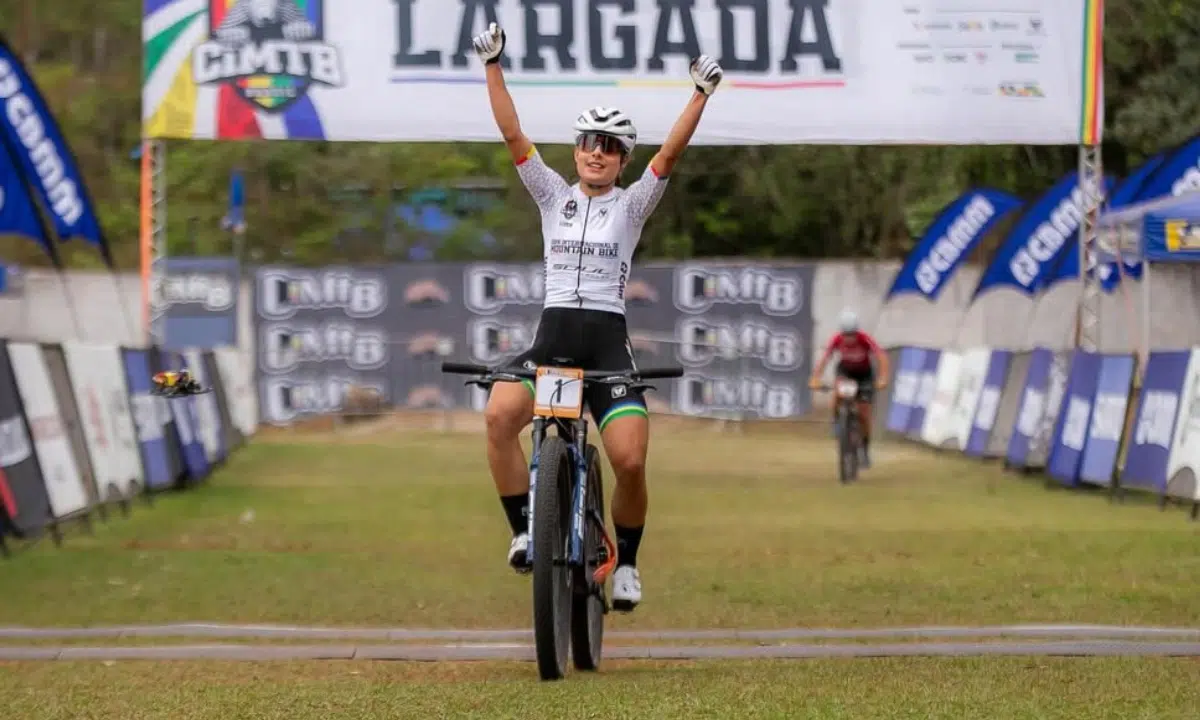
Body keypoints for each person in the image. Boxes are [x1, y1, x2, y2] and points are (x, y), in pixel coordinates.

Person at [470, 22, 723, 612]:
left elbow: (670, 155)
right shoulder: (551, 195)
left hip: (608, 346)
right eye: (590, 142)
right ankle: (524, 529)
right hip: (551, 343)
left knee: (631, 460)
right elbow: (512, 133)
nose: (597, 153)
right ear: (577, 150)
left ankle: (627, 562)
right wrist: (492, 65)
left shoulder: (631, 206)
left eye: (610, 147)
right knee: (497, 417)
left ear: (622, 159)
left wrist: (700, 94)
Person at [808, 310, 890, 467]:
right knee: (838, 393)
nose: (849, 339)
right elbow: (825, 359)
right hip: (845, 371)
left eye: (852, 335)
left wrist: (883, 377)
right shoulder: (837, 339)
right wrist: (815, 377)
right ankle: (837, 422)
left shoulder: (864, 339)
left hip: (864, 374)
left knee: (864, 413)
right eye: (846, 335)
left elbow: (881, 356)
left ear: (856, 332)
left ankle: (864, 449)